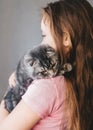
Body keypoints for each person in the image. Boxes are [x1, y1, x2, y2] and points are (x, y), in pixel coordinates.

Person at [0, 0, 93, 129]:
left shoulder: (49, 86)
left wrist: (10, 92)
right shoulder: (82, 79)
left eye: (44, 35)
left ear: (66, 39)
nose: (40, 45)